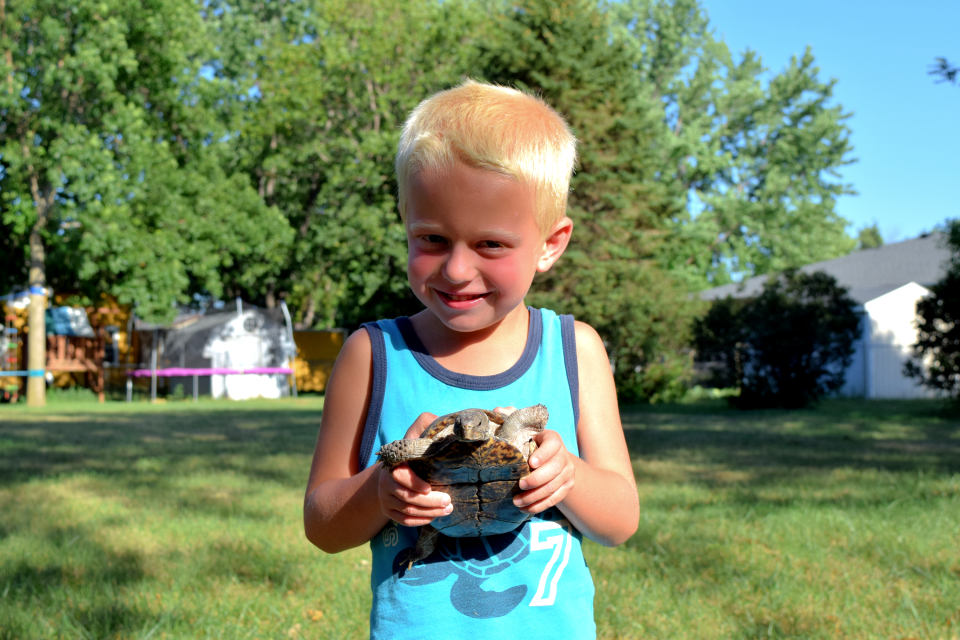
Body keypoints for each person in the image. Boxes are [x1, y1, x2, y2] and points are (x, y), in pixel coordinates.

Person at [304, 79, 639, 638]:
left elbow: (620, 520)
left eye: (490, 245)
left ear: (550, 244)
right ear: (405, 229)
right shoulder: (374, 353)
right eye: (432, 239)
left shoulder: (574, 348)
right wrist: (382, 490)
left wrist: (568, 476)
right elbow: (322, 525)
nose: (457, 270)